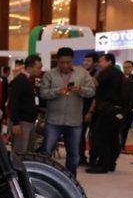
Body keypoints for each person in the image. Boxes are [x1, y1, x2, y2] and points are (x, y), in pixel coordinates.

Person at [39, 47, 95, 176]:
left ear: (72, 60)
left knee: (74, 154)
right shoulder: (49, 74)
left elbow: (92, 91)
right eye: (62, 62)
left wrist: (80, 89)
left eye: (68, 62)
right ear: (57, 61)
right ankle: (44, 177)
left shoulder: (82, 73)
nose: (65, 65)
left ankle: (70, 179)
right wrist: (57, 91)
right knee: (46, 151)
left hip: (74, 121)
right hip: (54, 120)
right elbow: (43, 93)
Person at [86, 53, 124, 174]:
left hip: (106, 109)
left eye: (101, 61)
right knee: (113, 138)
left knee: (101, 137)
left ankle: (102, 164)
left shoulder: (107, 72)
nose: (99, 63)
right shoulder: (119, 73)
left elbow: (96, 83)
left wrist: (87, 76)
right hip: (117, 109)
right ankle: (111, 163)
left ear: (109, 61)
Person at [9, 54, 43, 154]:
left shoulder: (30, 81)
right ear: (29, 68)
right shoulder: (19, 81)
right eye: (38, 68)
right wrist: (16, 123)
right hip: (22, 122)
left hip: (30, 121)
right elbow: (14, 102)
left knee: (28, 151)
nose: (40, 70)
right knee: (20, 152)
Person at [79, 52, 99, 165]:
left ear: (94, 62)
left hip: (93, 108)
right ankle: (81, 157)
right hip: (81, 107)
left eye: (88, 61)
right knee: (80, 134)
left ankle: (93, 159)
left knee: (93, 136)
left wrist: (91, 111)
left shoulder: (97, 74)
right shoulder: (82, 73)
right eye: (85, 60)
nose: (85, 63)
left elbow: (97, 93)